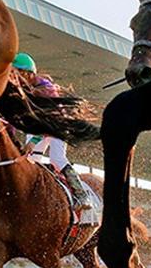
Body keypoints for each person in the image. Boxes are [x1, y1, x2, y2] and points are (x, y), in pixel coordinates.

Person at [13, 53, 92, 211]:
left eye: (18, 73)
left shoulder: (46, 89)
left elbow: (49, 121)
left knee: (57, 158)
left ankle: (81, 194)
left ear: (29, 74)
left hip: (57, 126)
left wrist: (33, 141)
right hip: (39, 127)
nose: (15, 78)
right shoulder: (23, 89)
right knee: (30, 159)